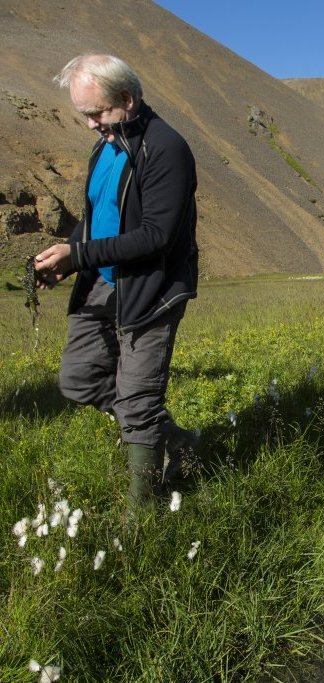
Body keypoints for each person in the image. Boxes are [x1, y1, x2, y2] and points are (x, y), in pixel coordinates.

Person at [34, 54, 199, 510]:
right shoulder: (107, 144)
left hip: (152, 289)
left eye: (97, 112)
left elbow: (157, 236)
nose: (90, 124)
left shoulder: (166, 148)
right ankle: (177, 441)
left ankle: (140, 514)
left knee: (139, 399)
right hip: (104, 282)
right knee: (78, 379)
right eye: (84, 114)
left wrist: (79, 254)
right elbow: (96, 217)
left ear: (127, 99)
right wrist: (66, 261)